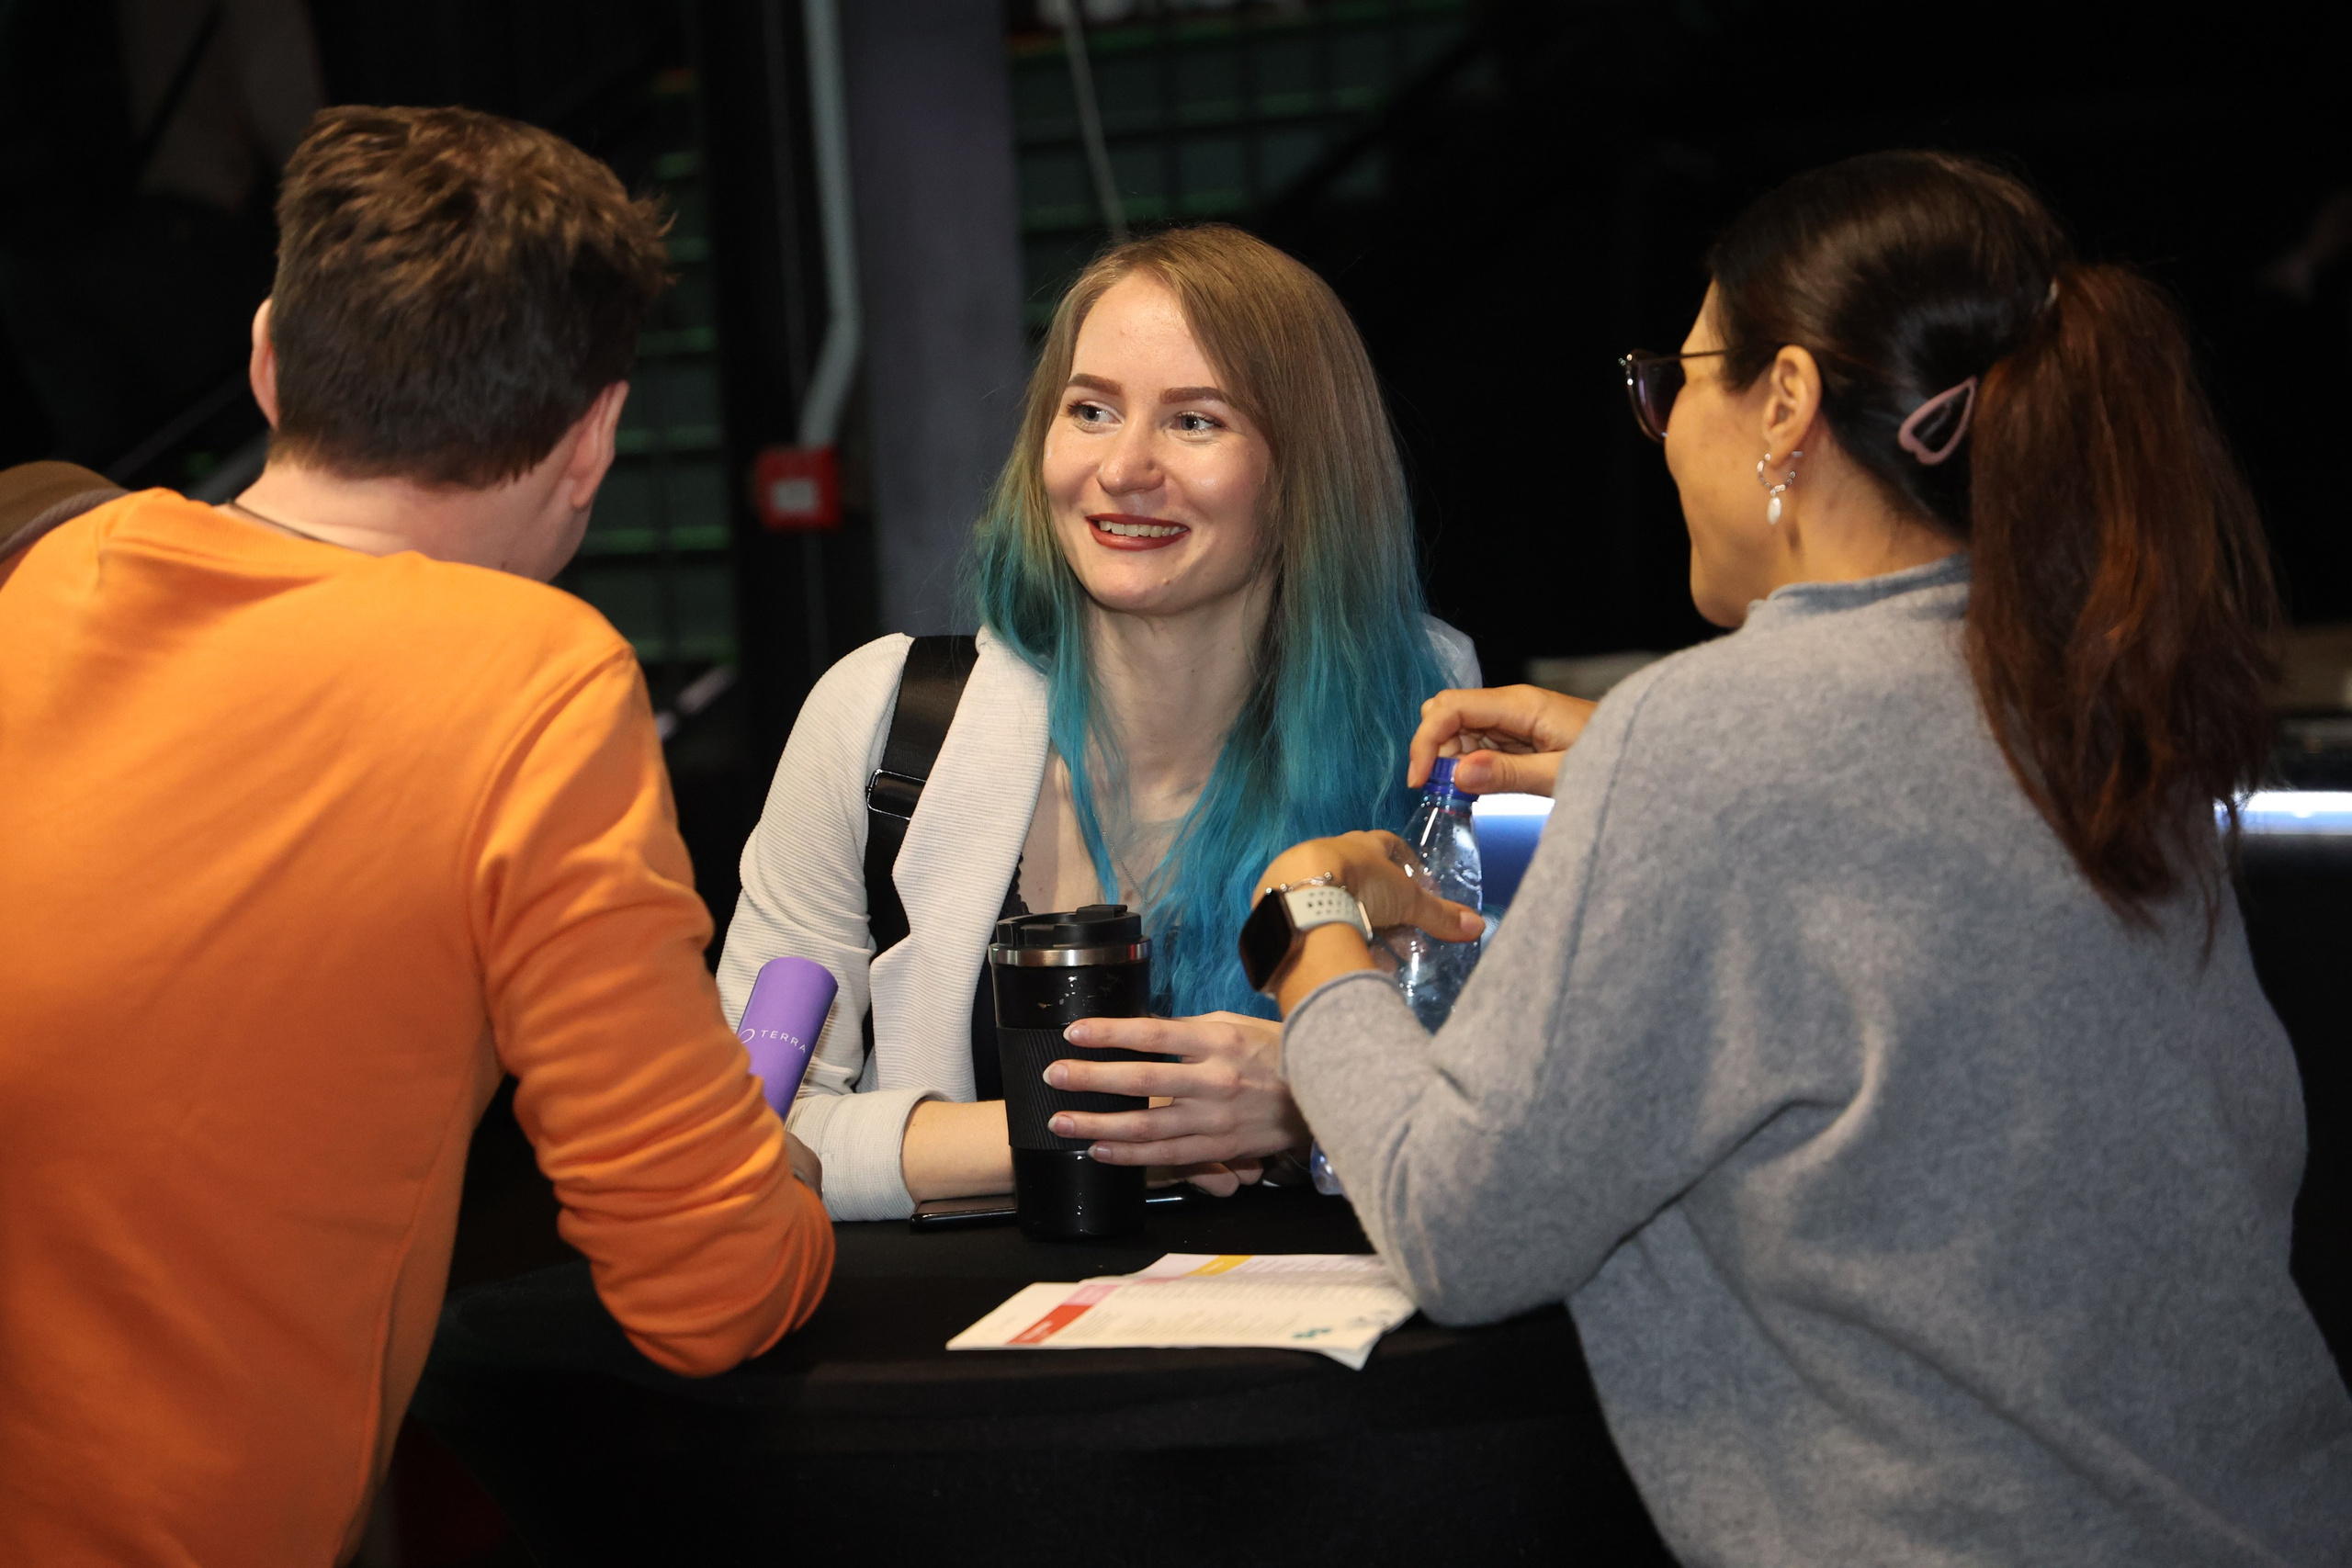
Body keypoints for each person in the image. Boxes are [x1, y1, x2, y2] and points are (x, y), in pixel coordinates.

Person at [1224, 152, 2352, 1563]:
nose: (1661, 427)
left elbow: (1460, 1220)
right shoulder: (2088, 694)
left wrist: (1309, 924)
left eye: (1673, 382)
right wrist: (1648, 771)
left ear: (1788, 406)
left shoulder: (1713, 738)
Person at [0, 106, 832, 1566]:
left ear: (265, 357)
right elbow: (704, 1293)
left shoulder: (40, 570)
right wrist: (788, 1195)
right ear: (594, 442)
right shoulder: (530, 681)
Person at [720, 224, 1476, 1220]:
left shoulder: (1431, 711)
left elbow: (1497, 1120)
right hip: (953, 1362)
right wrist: (1131, 1121)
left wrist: (1303, 1099)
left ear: (1305, 475)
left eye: (1195, 422)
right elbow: (740, 1142)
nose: (1124, 468)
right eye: (1091, 410)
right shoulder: (880, 723)